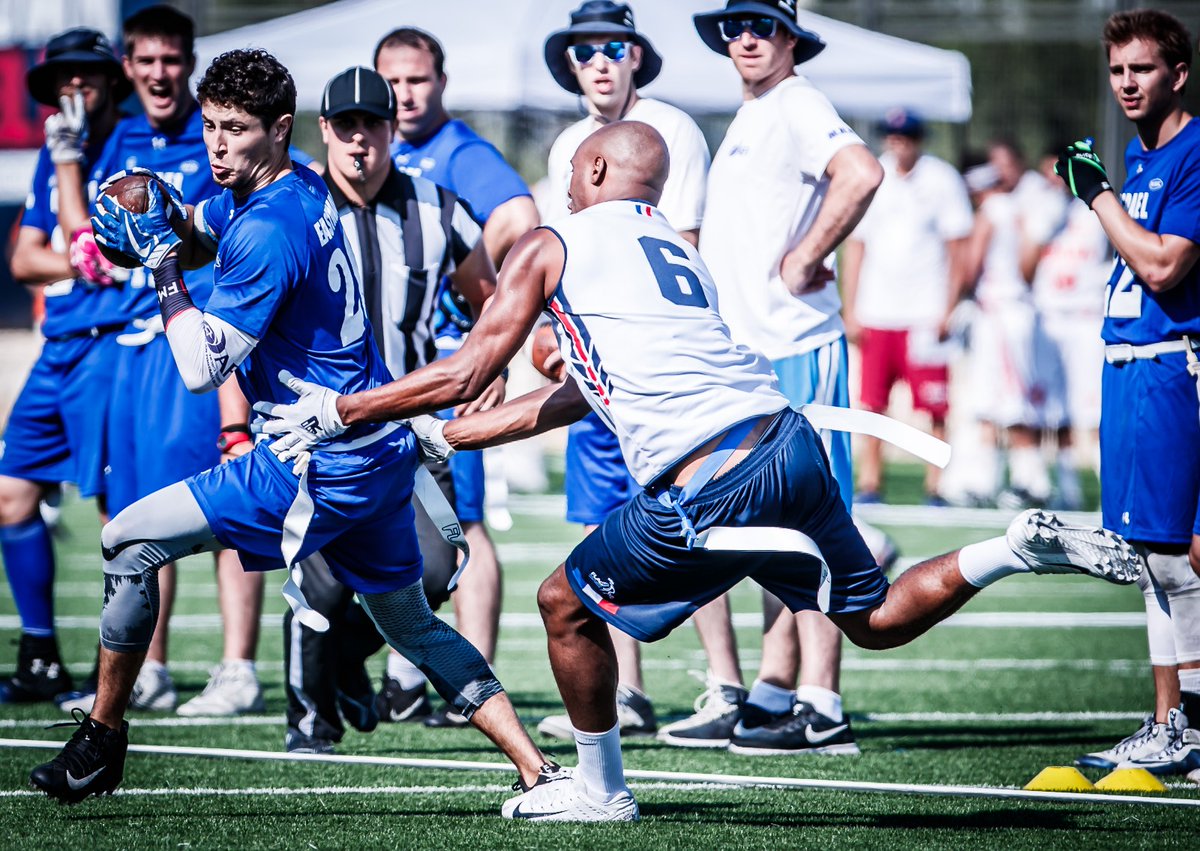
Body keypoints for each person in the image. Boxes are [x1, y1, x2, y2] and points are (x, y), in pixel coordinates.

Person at [256, 120, 1141, 822]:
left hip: (712, 478)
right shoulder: (681, 256)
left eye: (571, 168)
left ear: (600, 174)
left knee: (563, 602)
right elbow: (577, 399)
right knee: (867, 620)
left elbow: (466, 369)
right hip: (782, 442)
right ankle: (1012, 547)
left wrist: (342, 410)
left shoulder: (554, 241)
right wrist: (454, 438)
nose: (562, 182)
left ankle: (601, 788)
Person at [28, 48, 555, 806]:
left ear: (278, 129)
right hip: (376, 456)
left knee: (125, 539)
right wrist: (163, 212)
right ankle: (538, 768)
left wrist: (162, 267)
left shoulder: (269, 229)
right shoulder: (299, 183)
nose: (215, 144)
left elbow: (202, 367)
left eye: (234, 130)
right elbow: (211, 219)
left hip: (311, 461)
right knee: (411, 623)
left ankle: (101, 741)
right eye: (209, 126)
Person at [672, 0, 892, 755]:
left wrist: (807, 253)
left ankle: (822, 704)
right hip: (757, 355)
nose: (745, 38)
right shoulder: (755, 113)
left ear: (792, 36)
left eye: (762, 25)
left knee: (813, 525)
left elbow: (861, 172)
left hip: (797, 345)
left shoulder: (799, 101)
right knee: (769, 528)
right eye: (735, 27)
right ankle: (772, 688)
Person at [51, 4, 267, 718]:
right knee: (145, 513)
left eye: (171, 59)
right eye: (145, 60)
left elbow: (218, 239)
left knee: (230, 496)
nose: (158, 73)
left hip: (211, 341)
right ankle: (151, 668)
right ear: (128, 68)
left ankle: (238, 666)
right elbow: (89, 244)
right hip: (141, 346)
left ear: (189, 61)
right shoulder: (112, 136)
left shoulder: (219, 139)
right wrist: (72, 165)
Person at [280, 65, 500, 752]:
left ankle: (348, 660)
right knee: (315, 581)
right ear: (323, 131)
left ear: (389, 129)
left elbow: (489, 294)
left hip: (410, 432)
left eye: (370, 125)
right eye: (344, 127)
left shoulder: (437, 208)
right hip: (316, 430)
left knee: (435, 569)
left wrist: (493, 360)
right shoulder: (289, 205)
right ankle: (309, 718)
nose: (357, 141)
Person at [535, 0, 720, 742]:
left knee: (699, 518)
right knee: (600, 520)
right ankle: (630, 692)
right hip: (598, 363)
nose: (600, 59)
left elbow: (682, 247)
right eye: (585, 49)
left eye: (615, 45)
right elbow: (567, 257)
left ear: (637, 54)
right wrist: (556, 335)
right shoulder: (563, 147)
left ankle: (728, 683)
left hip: (660, 365)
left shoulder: (668, 129)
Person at [372, 27, 538, 725]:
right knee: (397, 521)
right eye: (394, 81)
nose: (406, 94)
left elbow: (522, 220)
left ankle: (472, 679)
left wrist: (485, 334)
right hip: (398, 371)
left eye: (418, 79)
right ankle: (408, 673)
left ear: (441, 83)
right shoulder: (382, 147)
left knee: (461, 523)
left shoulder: (459, 154)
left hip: (448, 365)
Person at [1055, 9, 1200, 777]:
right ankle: (1171, 720)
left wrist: (1098, 195)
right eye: (1117, 71)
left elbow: (1163, 267)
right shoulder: (1142, 160)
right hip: (1131, 368)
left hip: (1171, 368)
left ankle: (1186, 726)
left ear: (1177, 72)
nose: (1126, 84)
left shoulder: (1192, 152)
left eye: (1141, 69)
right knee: (1155, 555)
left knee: (1171, 553)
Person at [0, 27, 129, 705]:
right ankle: (41, 651)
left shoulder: (131, 146)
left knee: (120, 514)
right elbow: (26, 258)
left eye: (86, 76)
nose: (72, 89)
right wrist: (76, 261)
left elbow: (99, 253)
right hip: (59, 348)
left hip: (113, 346)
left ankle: (129, 671)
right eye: (61, 81)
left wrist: (81, 257)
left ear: (112, 81)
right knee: (11, 494)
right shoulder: (55, 154)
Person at [841, 108, 973, 506]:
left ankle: (935, 484)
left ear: (918, 140)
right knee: (872, 404)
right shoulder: (872, 175)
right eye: (892, 136)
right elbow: (856, 245)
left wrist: (950, 306)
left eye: (907, 137)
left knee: (934, 405)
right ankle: (870, 482)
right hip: (878, 310)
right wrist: (851, 308)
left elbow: (958, 247)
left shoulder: (941, 179)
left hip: (924, 312)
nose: (898, 144)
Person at [1020, 146, 1109, 511]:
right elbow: (1023, 270)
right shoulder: (1040, 211)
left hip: (1086, 318)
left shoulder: (1098, 210)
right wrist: (1041, 234)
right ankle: (1054, 483)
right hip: (1049, 319)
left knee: (1089, 409)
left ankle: (1101, 489)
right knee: (1048, 407)